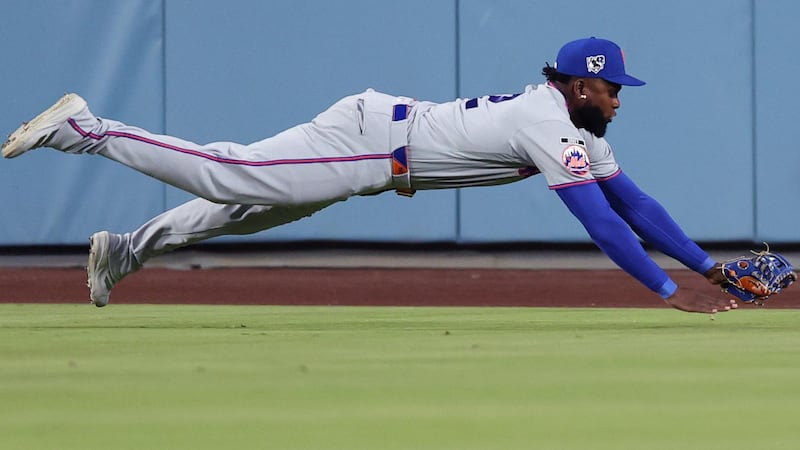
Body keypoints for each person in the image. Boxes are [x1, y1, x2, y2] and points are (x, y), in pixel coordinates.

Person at [2, 37, 736, 313]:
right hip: (375, 145)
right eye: (613, 89)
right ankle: (85, 130)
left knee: (243, 211)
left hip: (379, 142)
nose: (619, 99)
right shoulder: (549, 121)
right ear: (582, 85)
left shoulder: (575, 122)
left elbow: (631, 202)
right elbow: (598, 220)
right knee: (233, 178)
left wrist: (712, 268)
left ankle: (125, 250)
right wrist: (667, 290)